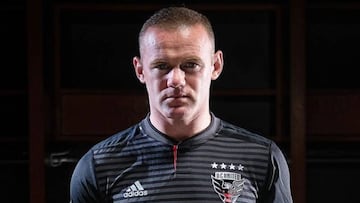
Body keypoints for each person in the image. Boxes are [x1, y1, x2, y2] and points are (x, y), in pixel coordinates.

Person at [70, 6, 293, 203]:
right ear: (140, 70)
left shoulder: (262, 158)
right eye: (161, 65)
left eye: (190, 64)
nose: (176, 80)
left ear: (215, 65)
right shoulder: (99, 164)